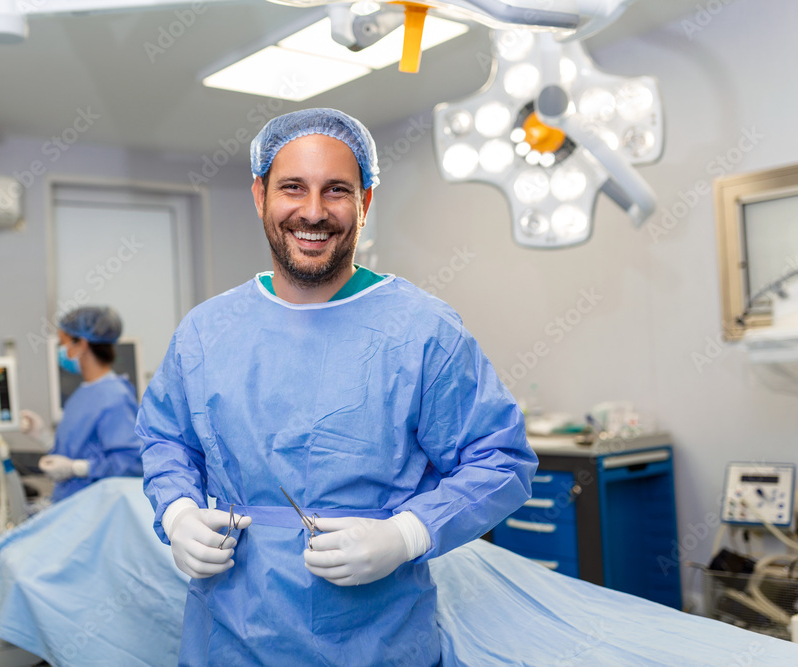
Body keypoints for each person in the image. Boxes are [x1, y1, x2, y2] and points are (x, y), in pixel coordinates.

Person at [137, 108, 538, 666]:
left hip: (377, 640)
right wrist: (178, 510)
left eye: (337, 191)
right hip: (228, 635)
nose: (313, 211)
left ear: (366, 203)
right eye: (292, 188)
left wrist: (407, 534)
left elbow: (501, 459)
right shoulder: (206, 332)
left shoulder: (422, 330)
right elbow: (167, 440)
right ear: (259, 195)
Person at [21, 305, 143, 502]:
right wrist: (43, 437)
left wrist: (77, 468)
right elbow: (76, 452)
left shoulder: (115, 397)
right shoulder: (83, 394)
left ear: (82, 344)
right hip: (72, 505)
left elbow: (132, 463)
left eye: (63, 343)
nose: (60, 351)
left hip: (95, 511)